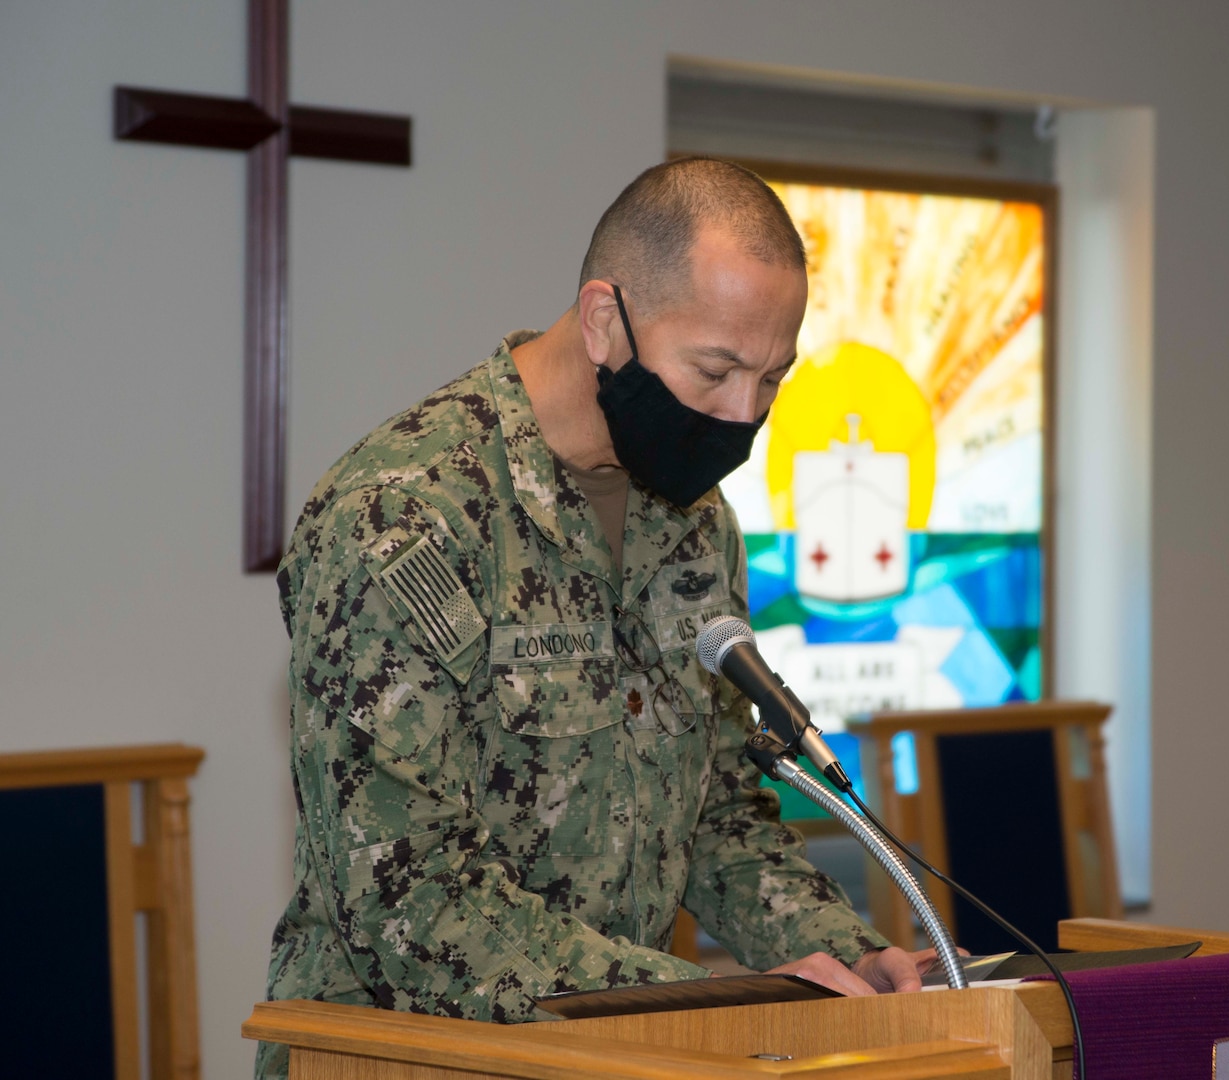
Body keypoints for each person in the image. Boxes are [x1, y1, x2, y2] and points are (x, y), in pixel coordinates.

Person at [256, 158, 934, 1079]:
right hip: (407, 1057)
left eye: (773, 378)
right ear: (606, 321)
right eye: (717, 370)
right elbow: (406, 901)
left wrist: (844, 956)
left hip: (628, 1053)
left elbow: (718, 811)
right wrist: (711, 1002)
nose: (744, 416)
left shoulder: (691, 520)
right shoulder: (406, 515)